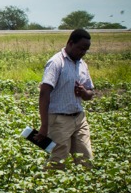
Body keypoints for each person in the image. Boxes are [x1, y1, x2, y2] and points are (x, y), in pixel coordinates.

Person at [39, 28, 94, 168]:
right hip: (59, 120)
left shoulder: (82, 65)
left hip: (79, 118)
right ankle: (48, 187)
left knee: (86, 159)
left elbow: (90, 93)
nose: (83, 52)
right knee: (58, 159)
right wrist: (44, 126)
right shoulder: (56, 63)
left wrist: (84, 93)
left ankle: (85, 187)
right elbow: (44, 93)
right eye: (80, 48)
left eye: (86, 50)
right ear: (70, 43)